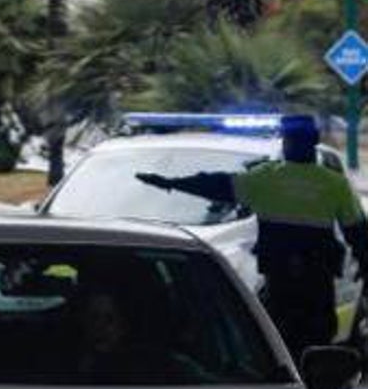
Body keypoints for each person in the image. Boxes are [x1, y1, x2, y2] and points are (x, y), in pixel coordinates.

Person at [137, 114, 368, 357]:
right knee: (317, 347)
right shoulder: (334, 184)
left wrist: (171, 182)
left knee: (277, 345)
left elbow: (216, 184)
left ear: (285, 143)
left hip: (279, 286)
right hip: (317, 288)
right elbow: (358, 233)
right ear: (314, 142)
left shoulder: (265, 178)